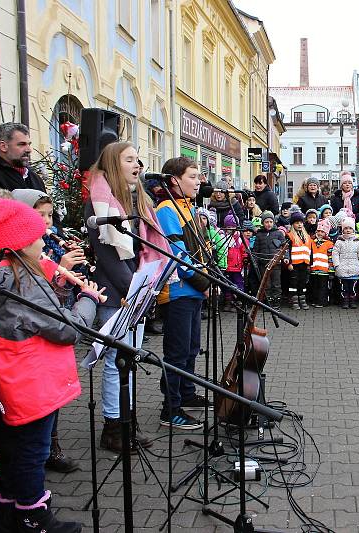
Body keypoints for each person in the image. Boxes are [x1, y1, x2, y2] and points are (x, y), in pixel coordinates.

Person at [0, 198, 101, 533]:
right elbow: (66, 331)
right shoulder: (23, 282)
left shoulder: (1, 273)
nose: (45, 240)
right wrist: (88, 301)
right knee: (33, 451)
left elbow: (32, 319)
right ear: (21, 243)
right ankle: (32, 516)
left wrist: (59, 291)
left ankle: (7, 512)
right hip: (33, 383)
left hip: (13, 379)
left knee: (15, 450)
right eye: (38, 236)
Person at [84, 141, 172, 446]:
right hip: (118, 292)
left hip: (138, 288)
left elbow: (145, 247)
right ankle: (114, 426)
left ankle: (128, 419)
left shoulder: (138, 201)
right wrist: (132, 291)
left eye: (139, 160)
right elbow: (107, 254)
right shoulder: (101, 203)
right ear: (112, 164)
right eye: (130, 159)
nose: (138, 165)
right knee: (116, 360)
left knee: (129, 358)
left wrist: (147, 288)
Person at [156, 157, 214, 430]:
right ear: (174, 180)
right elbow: (177, 254)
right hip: (178, 290)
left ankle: (187, 394)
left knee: (191, 348)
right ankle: (171, 408)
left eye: (199, 176)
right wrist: (205, 282)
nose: (199, 181)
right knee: (177, 352)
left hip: (192, 291)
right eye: (193, 176)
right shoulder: (168, 209)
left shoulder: (187, 207)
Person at [0, 123, 46, 192]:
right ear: (3, 146)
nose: (29, 150)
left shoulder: (36, 179)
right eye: (22, 144)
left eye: (29, 144)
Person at [253, 211, 286, 309]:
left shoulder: (278, 233)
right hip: (263, 264)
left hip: (276, 264)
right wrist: (255, 261)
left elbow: (284, 247)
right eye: (266, 222)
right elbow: (255, 250)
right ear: (263, 223)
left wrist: (285, 258)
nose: (269, 224)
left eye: (271, 222)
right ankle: (268, 303)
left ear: (274, 222)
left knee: (276, 284)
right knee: (266, 284)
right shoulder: (259, 235)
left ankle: (276, 303)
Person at [332, 217, 359, 309]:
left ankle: (352, 300)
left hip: (354, 269)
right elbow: (335, 254)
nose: (348, 230)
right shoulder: (339, 241)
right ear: (342, 230)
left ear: (353, 229)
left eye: (350, 228)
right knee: (344, 287)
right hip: (342, 268)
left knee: (352, 287)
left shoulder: (357, 242)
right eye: (346, 228)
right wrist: (336, 265)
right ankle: (345, 301)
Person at [284, 210, 313, 310]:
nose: (299, 224)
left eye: (301, 222)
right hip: (294, 264)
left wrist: (310, 263)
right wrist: (289, 263)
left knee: (303, 282)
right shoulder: (289, 236)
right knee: (293, 282)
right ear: (293, 224)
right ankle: (294, 300)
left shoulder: (307, 236)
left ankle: (302, 299)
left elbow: (310, 250)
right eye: (297, 223)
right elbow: (286, 250)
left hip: (304, 263)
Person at [308, 218, 333, 308]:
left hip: (324, 270)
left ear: (326, 233)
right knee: (314, 286)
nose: (319, 233)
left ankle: (322, 302)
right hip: (313, 269)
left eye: (322, 232)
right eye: (318, 231)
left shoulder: (329, 243)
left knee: (323, 287)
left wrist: (331, 270)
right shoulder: (311, 242)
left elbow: (330, 258)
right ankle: (315, 300)